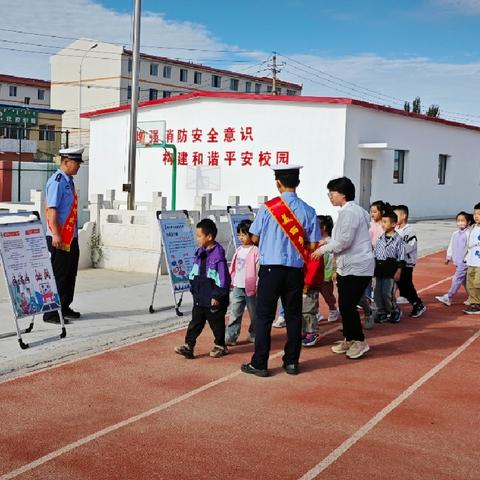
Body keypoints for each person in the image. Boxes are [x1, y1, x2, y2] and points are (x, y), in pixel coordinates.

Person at [241, 165, 320, 377]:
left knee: (264, 317)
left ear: (278, 183)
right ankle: (292, 362)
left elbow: (254, 238)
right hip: (294, 270)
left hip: (270, 270)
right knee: (294, 317)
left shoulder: (268, 208)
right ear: (298, 182)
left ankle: (260, 364)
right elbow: (313, 246)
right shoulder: (309, 210)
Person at [312, 177, 374, 360]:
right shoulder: (355, 211)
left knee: (347, 304)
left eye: (332, 193)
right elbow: (346, 239)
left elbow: (344, 242)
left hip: (356, 266)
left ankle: (359, 341)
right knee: (345, 304)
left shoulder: (350, 213)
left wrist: (322, 249)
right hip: (351, 266)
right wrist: (329, 241)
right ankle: (349, 338)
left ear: (343, 194)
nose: (330, 197)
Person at [175, 219, 231, 359]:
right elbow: (194, 272)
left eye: (199, 236)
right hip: (200, 297)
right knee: (195, 323)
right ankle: (189, 346)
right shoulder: (199, 253)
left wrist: (217, 296)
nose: (197, 238)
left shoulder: (218, 257)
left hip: (214, 299)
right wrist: (194, 288)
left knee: (216, 324)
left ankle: (220, 345)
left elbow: (223, 279)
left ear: (209, 237)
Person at [43, 147, 83, 324]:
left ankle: (64, 306)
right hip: (58, 238)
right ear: (66, 162)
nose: (78, 166)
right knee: (58, 274)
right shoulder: (57, 181)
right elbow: (52, 211)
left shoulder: (69, 181)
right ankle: (51, 313)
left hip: (71, 237)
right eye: (76, 163)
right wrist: (56, 235)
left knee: (69, 273)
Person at [226, 219, 259, 345]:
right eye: (239, 234)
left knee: (254, 313)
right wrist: (231, 280)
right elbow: (234, 267)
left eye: (244, 234)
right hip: (238, 286)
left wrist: (256, 284)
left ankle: (255, 333)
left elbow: (258, 270)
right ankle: (231, 336)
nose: (241, 237)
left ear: (251, 235)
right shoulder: (239, 250)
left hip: (251, 288)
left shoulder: (256, 251)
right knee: (235, 312)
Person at [393, 205, 427, 318]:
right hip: (397, 263)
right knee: (400, 284)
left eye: (396, 215)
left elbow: (408, 247)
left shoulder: (409, 231)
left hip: (406, 263)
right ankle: (404, 299)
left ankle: (418, 304)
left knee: (407, 285)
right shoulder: (396, 230)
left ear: (404, 216)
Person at [373, 209, 405, 324]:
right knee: (377, 293)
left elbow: (401, 257)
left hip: (390, 270)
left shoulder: (398, 240)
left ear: (393, 224)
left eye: (385, 222)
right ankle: (382, 312)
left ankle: (394, 311)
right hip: (379, 270)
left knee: (387, 293)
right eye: (382, 222)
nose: (383, 224)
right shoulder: (380, 239)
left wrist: (399, 271)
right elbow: (375, 254)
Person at [436, 212, 473, 307]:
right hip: (457, 260)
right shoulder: (455, 234)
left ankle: (449, 297)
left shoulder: (469, 234)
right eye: (458, 220)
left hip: (465, 261)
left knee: (456, 279)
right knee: (465, 281)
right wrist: (448, 257)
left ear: (468, 222)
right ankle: (472, 298)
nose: (460, 222)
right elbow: (451, 245)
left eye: (462, 220)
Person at [301, 219, 325, 347]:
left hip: (311, 284)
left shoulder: (316, 249)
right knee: (301, 309)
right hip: (303, 283)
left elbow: (313, 269)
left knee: (309, 309)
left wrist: (307, 284)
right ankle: (305, 331)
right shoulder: (303, 247)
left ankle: (312, 332)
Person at [317, 215, 340, 323]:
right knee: (312, 294)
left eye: (317, 225)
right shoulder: (315, 240)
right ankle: (316, 313)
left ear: (324, 227)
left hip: (327, 272)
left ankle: (333, 308)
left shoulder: (331, 241)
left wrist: (335, 271)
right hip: (315, 272)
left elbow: (335, 255)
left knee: (327, 294)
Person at [463, 204, 480, 314]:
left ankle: (477, 304)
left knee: (478, 283)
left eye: (479, 214)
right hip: (471, 260)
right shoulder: (473, 227)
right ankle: (474, 302)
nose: (476, 216)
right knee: (470, 283)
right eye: (475, 214)